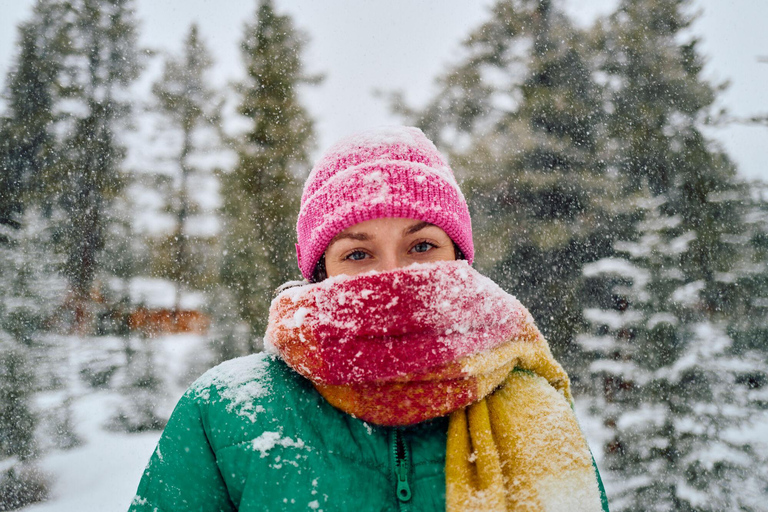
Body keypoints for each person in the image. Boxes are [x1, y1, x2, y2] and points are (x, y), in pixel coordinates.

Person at [129, 126, 610, 511]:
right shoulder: (223, 409)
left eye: (421, 246)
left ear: (460, 258)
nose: (393, 275)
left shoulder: (530, 399)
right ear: (321, 273)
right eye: (358, 254)